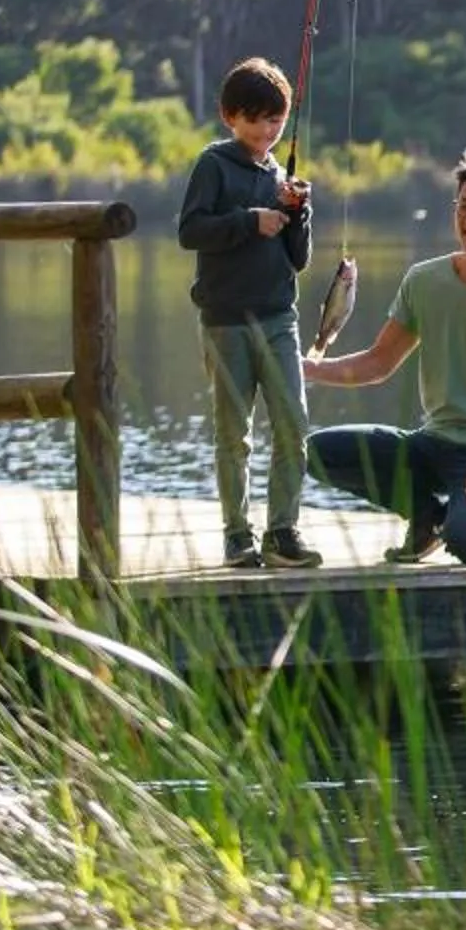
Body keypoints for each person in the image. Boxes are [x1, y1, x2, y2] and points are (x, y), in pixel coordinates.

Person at [302, 147, 466, 566]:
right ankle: (426, 520)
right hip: (432, 445)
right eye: (465, 207)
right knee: (315, 452)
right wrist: (306, 370)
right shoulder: (423, 281)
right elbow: (378, 362)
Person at [176, 56, 325, 571]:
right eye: (258, 118)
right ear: (230, 117)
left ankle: (282, 531)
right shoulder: (213, 165)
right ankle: (237, 535)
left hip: (279, 317)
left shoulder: (282, 177)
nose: (268, 129)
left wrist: (297, 216)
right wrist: (248, 220)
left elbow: (298, 260)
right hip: (225, 320)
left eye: (276, 120)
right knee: (233, 434)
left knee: (293, 424)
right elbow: (190, 231)